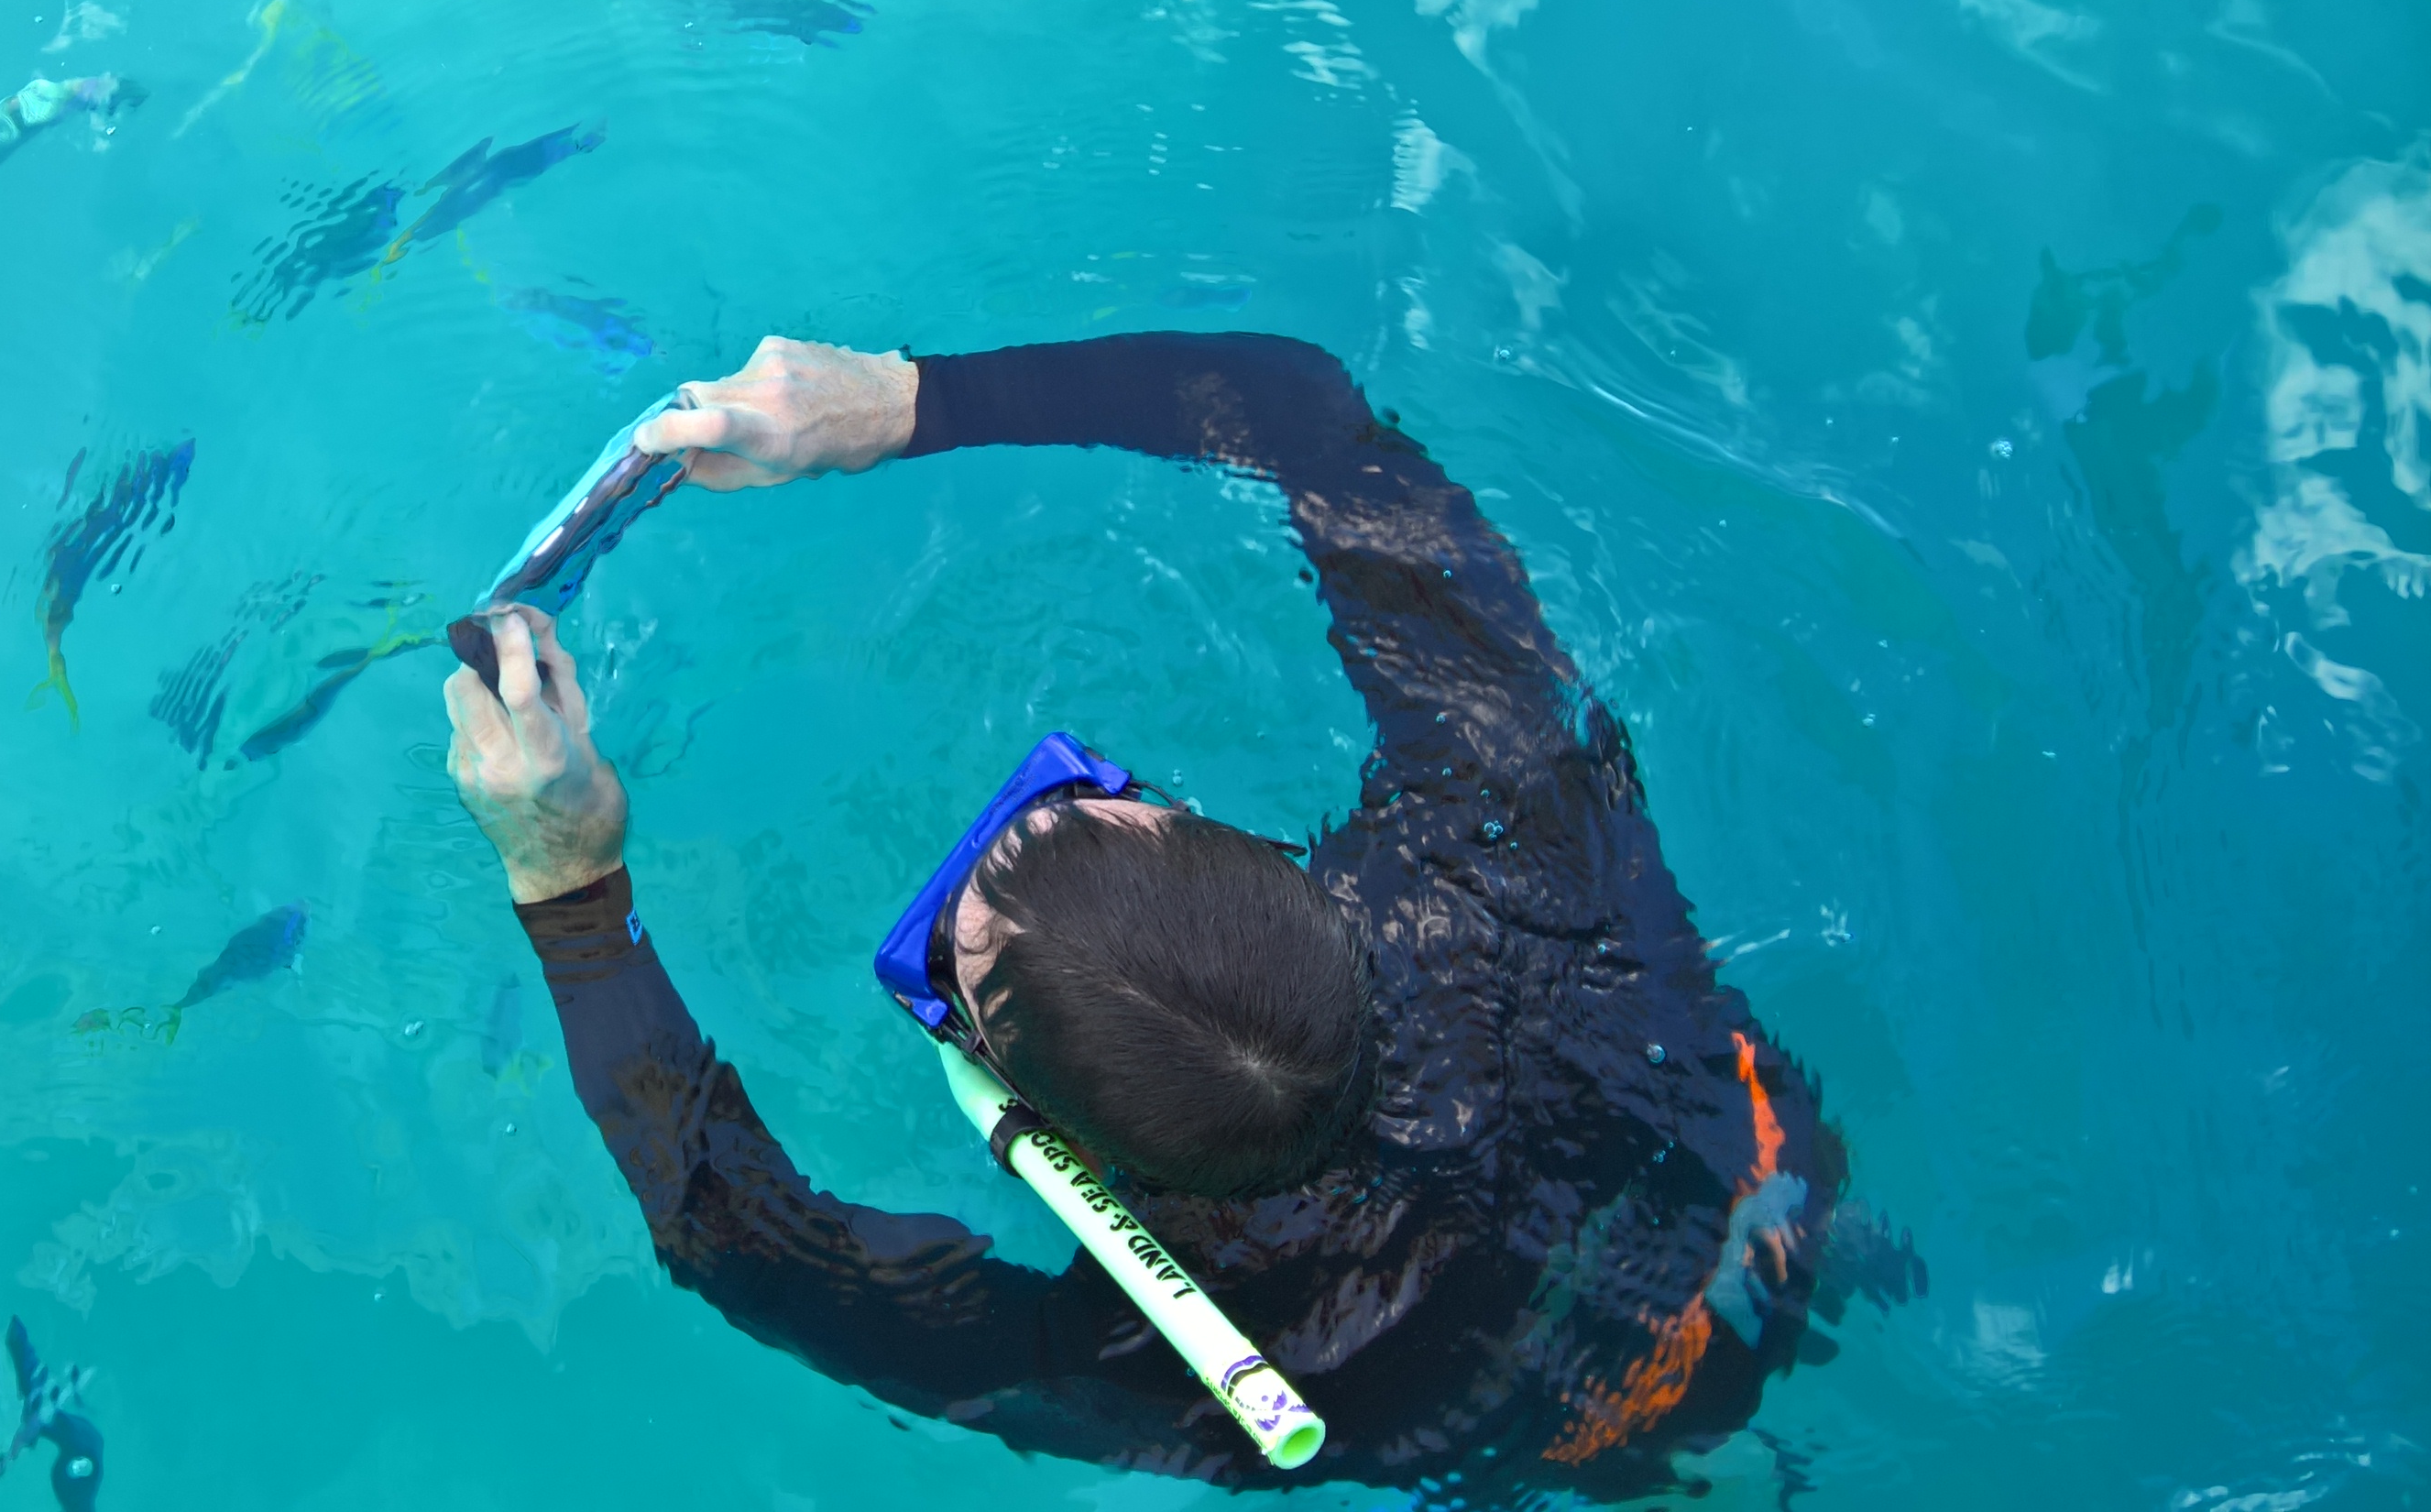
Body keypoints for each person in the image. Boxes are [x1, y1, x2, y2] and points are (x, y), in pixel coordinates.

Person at [443, 332, 1921, 1497]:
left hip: (1568, 1448)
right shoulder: (1519, 842)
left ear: (1025, 1118)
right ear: (1220, 839)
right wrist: (901, 401)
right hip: (1774, 1184)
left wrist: (564, 871)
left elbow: (725, 1232)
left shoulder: (1175, 1361)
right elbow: (1303, 409)